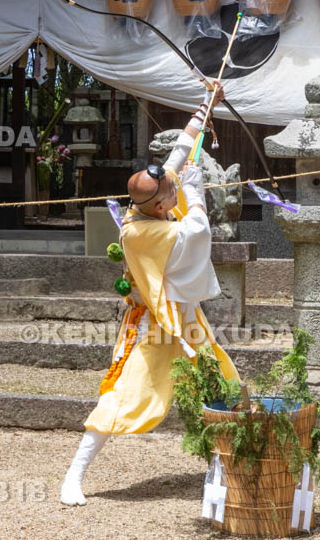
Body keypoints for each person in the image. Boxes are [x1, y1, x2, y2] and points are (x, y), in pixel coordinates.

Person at [60, 84, 240, 506]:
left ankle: (224, 468)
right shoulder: (138, 231)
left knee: (217, 385)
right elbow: (197, 233)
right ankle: (74, 475)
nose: (175, 191)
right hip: (151, 324)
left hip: (185, 320)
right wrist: (194, 193)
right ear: (160, 207)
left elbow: (177, 156)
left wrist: (203, 109)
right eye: (172, 196)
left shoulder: (153, 201)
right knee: (123, 394)